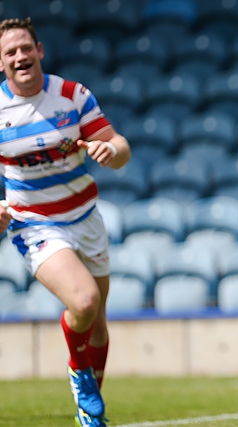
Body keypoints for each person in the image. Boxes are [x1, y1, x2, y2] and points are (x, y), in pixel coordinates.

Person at [0, 18, 131, 427]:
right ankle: (79, 375)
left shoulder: (72, 96)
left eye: (25, 48)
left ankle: (89, 411)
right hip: (35, 223)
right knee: (85, 302)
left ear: (39, 51)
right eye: (10, 52)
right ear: (1, 62)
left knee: (98, 325)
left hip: (86, 218)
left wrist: (111, 151)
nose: (20, 56)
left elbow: (120, 145)